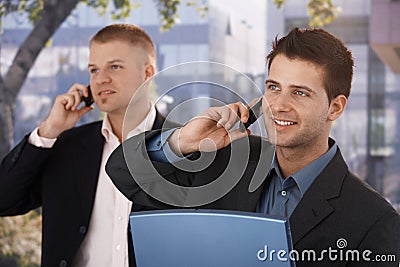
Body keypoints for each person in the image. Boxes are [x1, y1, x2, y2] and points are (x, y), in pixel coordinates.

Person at [106, 28, 400, 266]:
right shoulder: (222, 164)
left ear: (335, 108)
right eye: (273, 88)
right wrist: (183, 140)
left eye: (300, 92)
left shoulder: (373, 221)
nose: (279, 106)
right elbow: (121, 171)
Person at [0, 23, 177, 267]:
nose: (101, 79)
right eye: (94, 70)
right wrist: (49, 130)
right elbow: (4, 199)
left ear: (147, 73)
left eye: (114, 67)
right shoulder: (66, 147)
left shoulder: (185, 145)